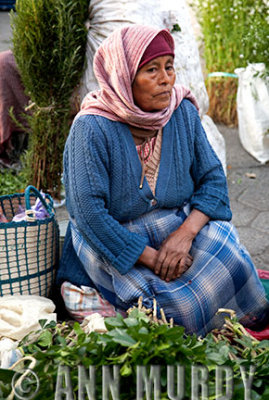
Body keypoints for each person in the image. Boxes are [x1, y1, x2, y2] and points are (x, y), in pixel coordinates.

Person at [57, 24, 269, 336]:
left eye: (169, 67)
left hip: (175, 224)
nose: (166, 78)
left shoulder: (181, 111)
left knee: (234, 261)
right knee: (171, 312)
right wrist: (153, 259)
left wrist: (185, 235)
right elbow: (88, 215)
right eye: (151, 70)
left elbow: (212, 180)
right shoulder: (91, 128)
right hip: (113, 237)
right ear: (124, 77)